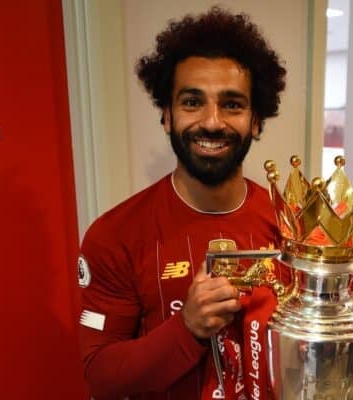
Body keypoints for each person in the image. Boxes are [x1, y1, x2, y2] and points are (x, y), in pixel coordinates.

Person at [77, 7, 286, 400]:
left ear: (256, 120)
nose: (211, 122)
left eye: (232, 105)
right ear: (167, 115)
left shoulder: (292, 226)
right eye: (192, 102)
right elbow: (101, 375)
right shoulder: (113, 236)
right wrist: (186, 327)